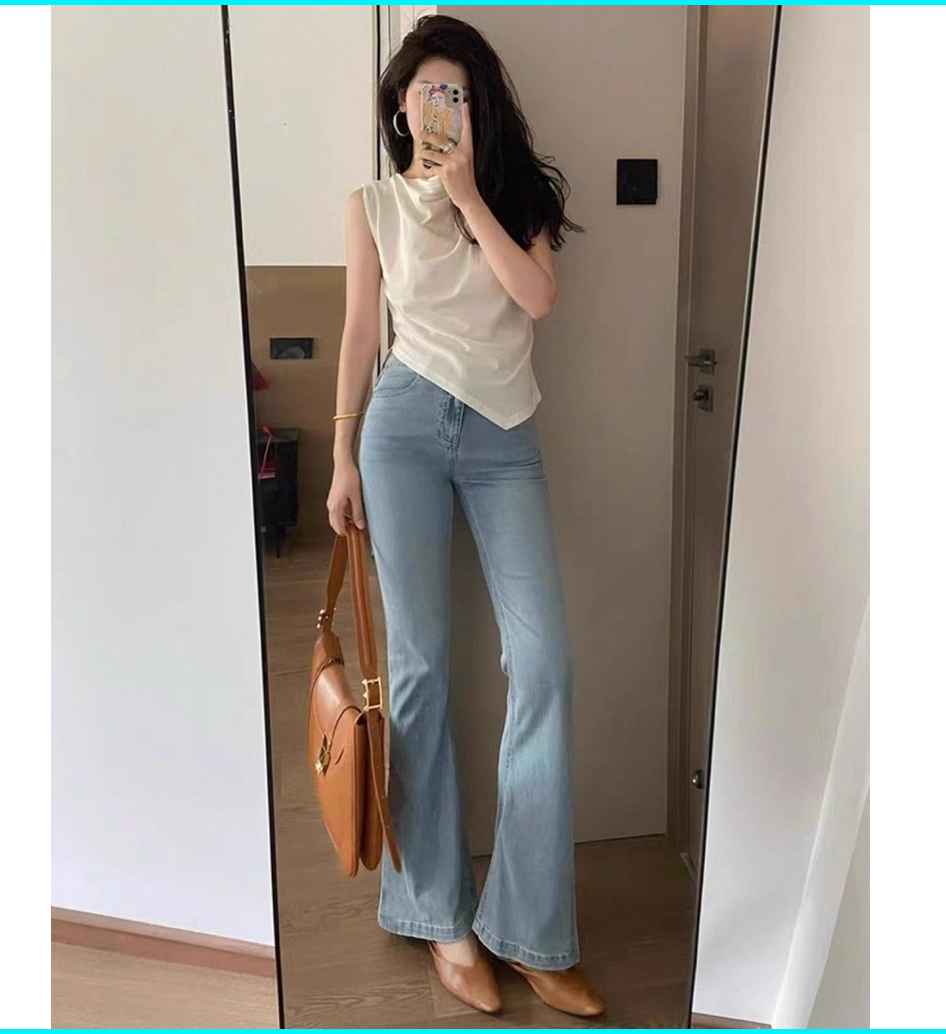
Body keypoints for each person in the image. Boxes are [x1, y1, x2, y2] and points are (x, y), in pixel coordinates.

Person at [326, 14, 604, 1020]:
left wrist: (469, 193)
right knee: (421, 666)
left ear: (476, 106)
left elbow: (536, 299)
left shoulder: (521, 195)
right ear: (400, 109)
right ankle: (438, 914)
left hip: (503, 436)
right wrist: (341, 453)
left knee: (544, 664)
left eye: (455, 94)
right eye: (422, 95)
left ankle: (530, 929)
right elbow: (361, 329)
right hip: (401, 426)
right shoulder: (370, 206)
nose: (436, 109)